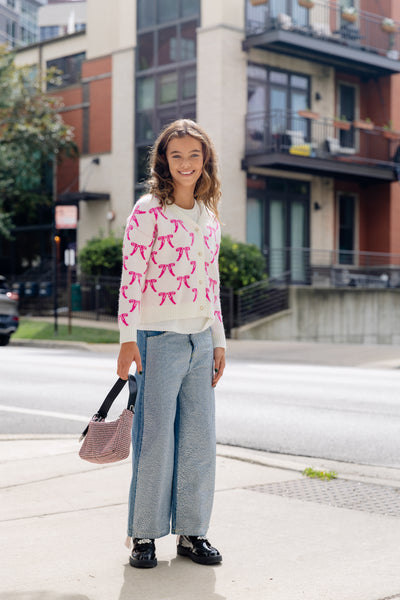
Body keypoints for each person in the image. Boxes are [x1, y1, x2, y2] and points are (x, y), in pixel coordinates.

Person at [117, 119, 226, 569]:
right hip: (158, 338)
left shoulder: (209, 215)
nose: (185, 164)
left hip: (201, 339)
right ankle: (143, 535)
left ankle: (192, 533)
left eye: (194, 156)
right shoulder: (148, 209)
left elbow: (212, 282)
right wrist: (127, 340)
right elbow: (131, 276)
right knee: (156, 440)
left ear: (205, 162)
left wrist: (218, 340)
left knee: (200, 440)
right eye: (176, 155)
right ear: (164, 160)